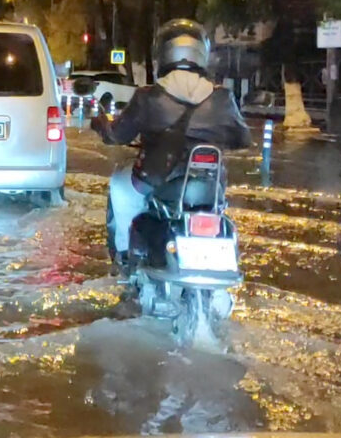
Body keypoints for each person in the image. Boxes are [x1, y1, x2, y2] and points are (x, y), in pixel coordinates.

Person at [92, 19, 253, 267]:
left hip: (157, 179)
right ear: (202, 52)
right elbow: (243, 139)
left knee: (119, 185)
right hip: (210, 188)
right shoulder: (223, 97)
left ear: (164, 53)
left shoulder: (149, 96)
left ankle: (123, 258)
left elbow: (117, 135)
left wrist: (101, 125)